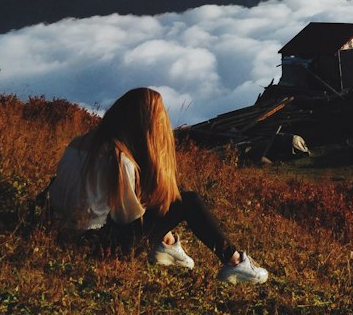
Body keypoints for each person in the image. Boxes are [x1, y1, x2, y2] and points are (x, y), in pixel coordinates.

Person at [49, 87, 268, 285]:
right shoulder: (118, 158)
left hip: (58, 233)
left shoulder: (78, 142)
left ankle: (167, 246)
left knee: (164, 196)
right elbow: (127, 218)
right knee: (188, 201)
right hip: (97, 245)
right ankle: (235, 261)